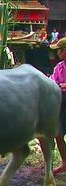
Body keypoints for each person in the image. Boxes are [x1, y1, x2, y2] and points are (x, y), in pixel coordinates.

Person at [49, 38, 66, 174]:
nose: (57, 53)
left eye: (59, 50)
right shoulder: (59, 67)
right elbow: (52, 81)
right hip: (61, 101)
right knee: (58, 134)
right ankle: (65, 163)